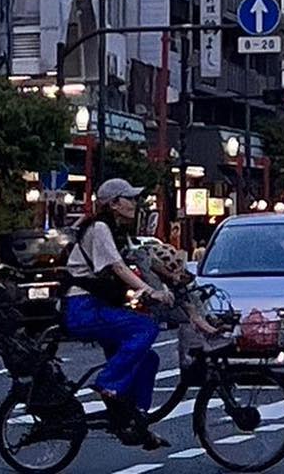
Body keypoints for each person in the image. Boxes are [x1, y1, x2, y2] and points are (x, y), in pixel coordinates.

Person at [62, 179, 167, 450]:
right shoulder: (99, 228)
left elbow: (144, 261)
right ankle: (108, 382)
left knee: (149, 358)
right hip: (82, 307)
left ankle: (136, 419)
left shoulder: (117, 231)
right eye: (129, 198)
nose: (134, 203)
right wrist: (147, 291)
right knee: (145, 328)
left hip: (96, 305)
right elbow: (118, 268)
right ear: (113, 203)